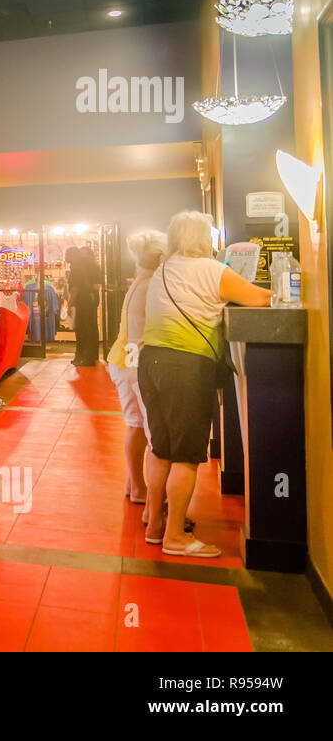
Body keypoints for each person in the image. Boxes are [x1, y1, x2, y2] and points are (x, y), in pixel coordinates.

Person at [139, 211, 271, 558]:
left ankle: (155, 526)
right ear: (204, 238)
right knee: (186, 455)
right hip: (186, 367)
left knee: (161, 447)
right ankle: (174, 537)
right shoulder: (212, 270)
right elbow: (258, 298)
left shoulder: (162, 271)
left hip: (150, 363)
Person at [105, 230, 166, 510]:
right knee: (156, 436)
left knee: (136, 425)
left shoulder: (139, 282)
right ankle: (153, 503)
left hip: (122, 360)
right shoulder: (153, 284)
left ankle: (136, 485)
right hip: (136, 363)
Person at [67, 246, 101, 366]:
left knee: (83, 329)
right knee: (89, 329)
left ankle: (86, 358)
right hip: (90, 300)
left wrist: (70, 304)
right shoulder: (90, 267)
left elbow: (75, 288)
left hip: (83, 301)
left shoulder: (78, 267)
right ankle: (88, 356)